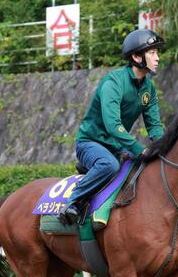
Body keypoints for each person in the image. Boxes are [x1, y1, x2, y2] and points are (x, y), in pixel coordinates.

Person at [59, 29, 165, 225]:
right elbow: (113, 125)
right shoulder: (114, 81)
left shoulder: (149, 88)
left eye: (157, 53)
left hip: (117, 146)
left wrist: (166, 146)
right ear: (136, 56)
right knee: (110, 165)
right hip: (90, 142)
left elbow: (155, 126)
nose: (157, 58)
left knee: (145, 168)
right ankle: (73, 201)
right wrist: (139, 150)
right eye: (152, 53)